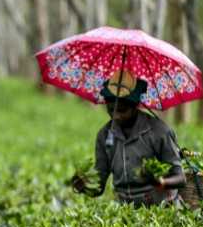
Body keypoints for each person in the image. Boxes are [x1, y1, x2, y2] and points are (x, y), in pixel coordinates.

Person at [74, 71, 186, 205]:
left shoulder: (159, 132)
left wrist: (160, 182)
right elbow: (99, 187)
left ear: (135, 106)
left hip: (161, 206)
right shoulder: (104, 135)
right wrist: (84, 187)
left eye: (122, 110)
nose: (115, 116)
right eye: (110, 110)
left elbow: (180, 179)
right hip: (125, 209)